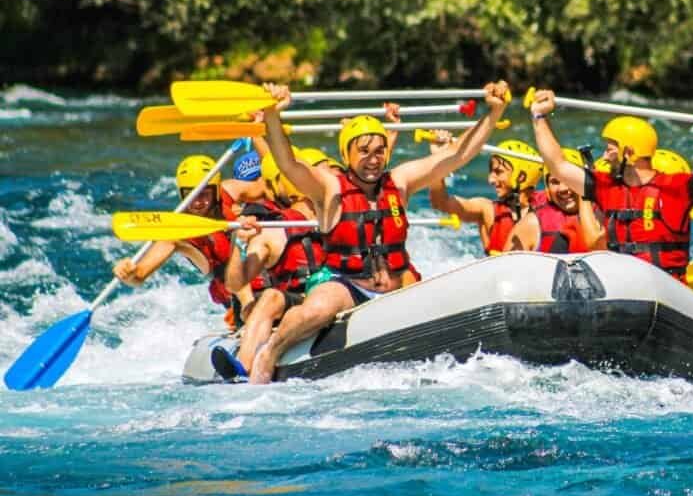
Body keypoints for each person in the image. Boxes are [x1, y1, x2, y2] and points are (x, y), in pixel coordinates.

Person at [248, 80, 511, 384]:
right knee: (316, 310)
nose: (373, 160)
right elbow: (288, 163)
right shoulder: (329, 186)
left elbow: (456, 156)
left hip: (396, 286)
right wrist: (272, 115)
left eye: (378, 151)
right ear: (347, 154)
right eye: (364, 152)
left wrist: (494, 112)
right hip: (347, 285)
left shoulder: (399, 182)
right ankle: (269, 352)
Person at [528, 89, 693, 283]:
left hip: (666, 289)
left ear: (629, 153)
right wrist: (539, 117)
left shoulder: (673, 187)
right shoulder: (606, 187)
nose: (605, 157)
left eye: (610, 150)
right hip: (623, 287)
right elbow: (558, 165)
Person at [212, 153, 325, 380]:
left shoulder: (333, 205)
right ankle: (243, 367)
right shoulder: (268, 225)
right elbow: (235, 284)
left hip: (335, 290)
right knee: (272, 297)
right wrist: (238, 242)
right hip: (297, 297)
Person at [112, 155, 257, 321]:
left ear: (217, 191)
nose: (197, 202)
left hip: (261, 267)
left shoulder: (230, 190)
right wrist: (129, 273)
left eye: (204, 195)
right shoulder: (177, 235)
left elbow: (270, 189)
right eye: (191, 195)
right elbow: (140, 275)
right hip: (237, 295)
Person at [428, 137, 543, 255]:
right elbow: (440, 202)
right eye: (491, 172)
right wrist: (437, 158)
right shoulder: (487, 210)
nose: (490, 180)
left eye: (498, 172)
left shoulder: (546, 210)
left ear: (521, 177)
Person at [503, 148, 592, 253]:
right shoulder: (531, 224)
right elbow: (506, 267)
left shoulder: (602, 215)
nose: (563, 188)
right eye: (555, 182)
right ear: (548, 190)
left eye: (569, 179)